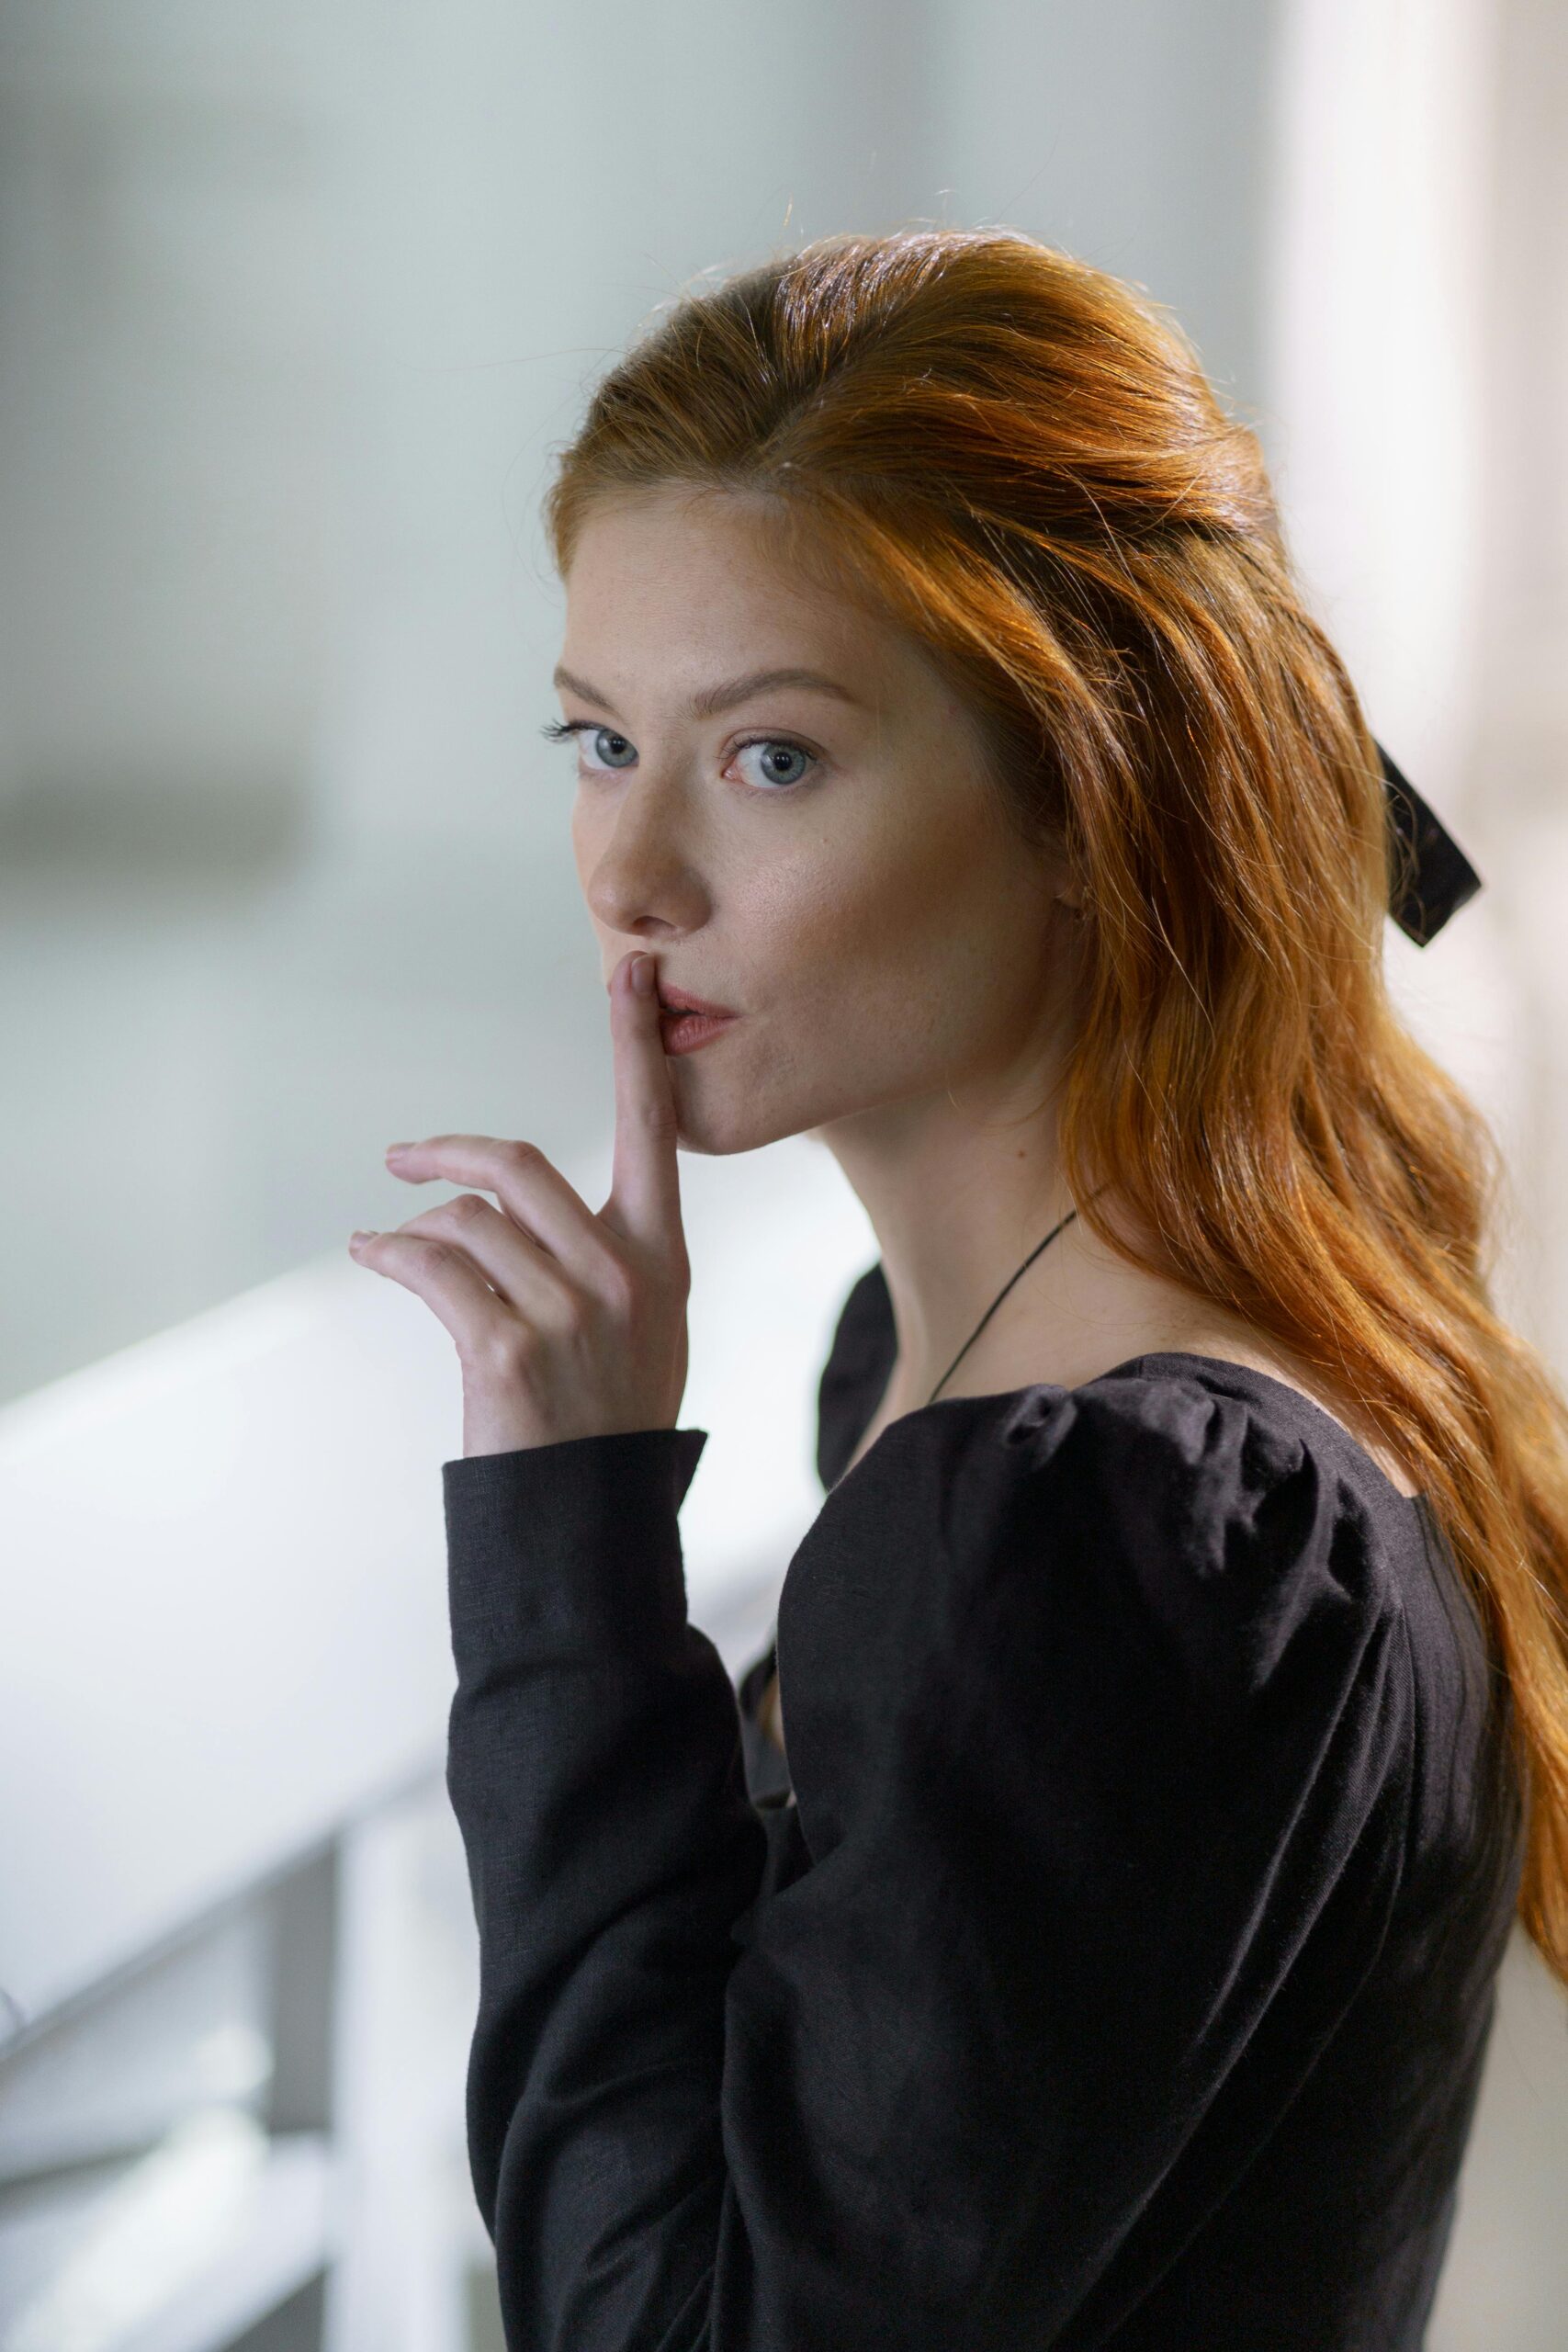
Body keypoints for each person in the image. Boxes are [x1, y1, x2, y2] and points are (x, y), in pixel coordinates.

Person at [347, 230, 1568, 2348]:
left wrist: (569, 1554)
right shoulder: (963, 1375)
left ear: (1093, 798)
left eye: (772, 759)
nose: (628, 878)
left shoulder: (1101, 1528)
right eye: (595, 739)